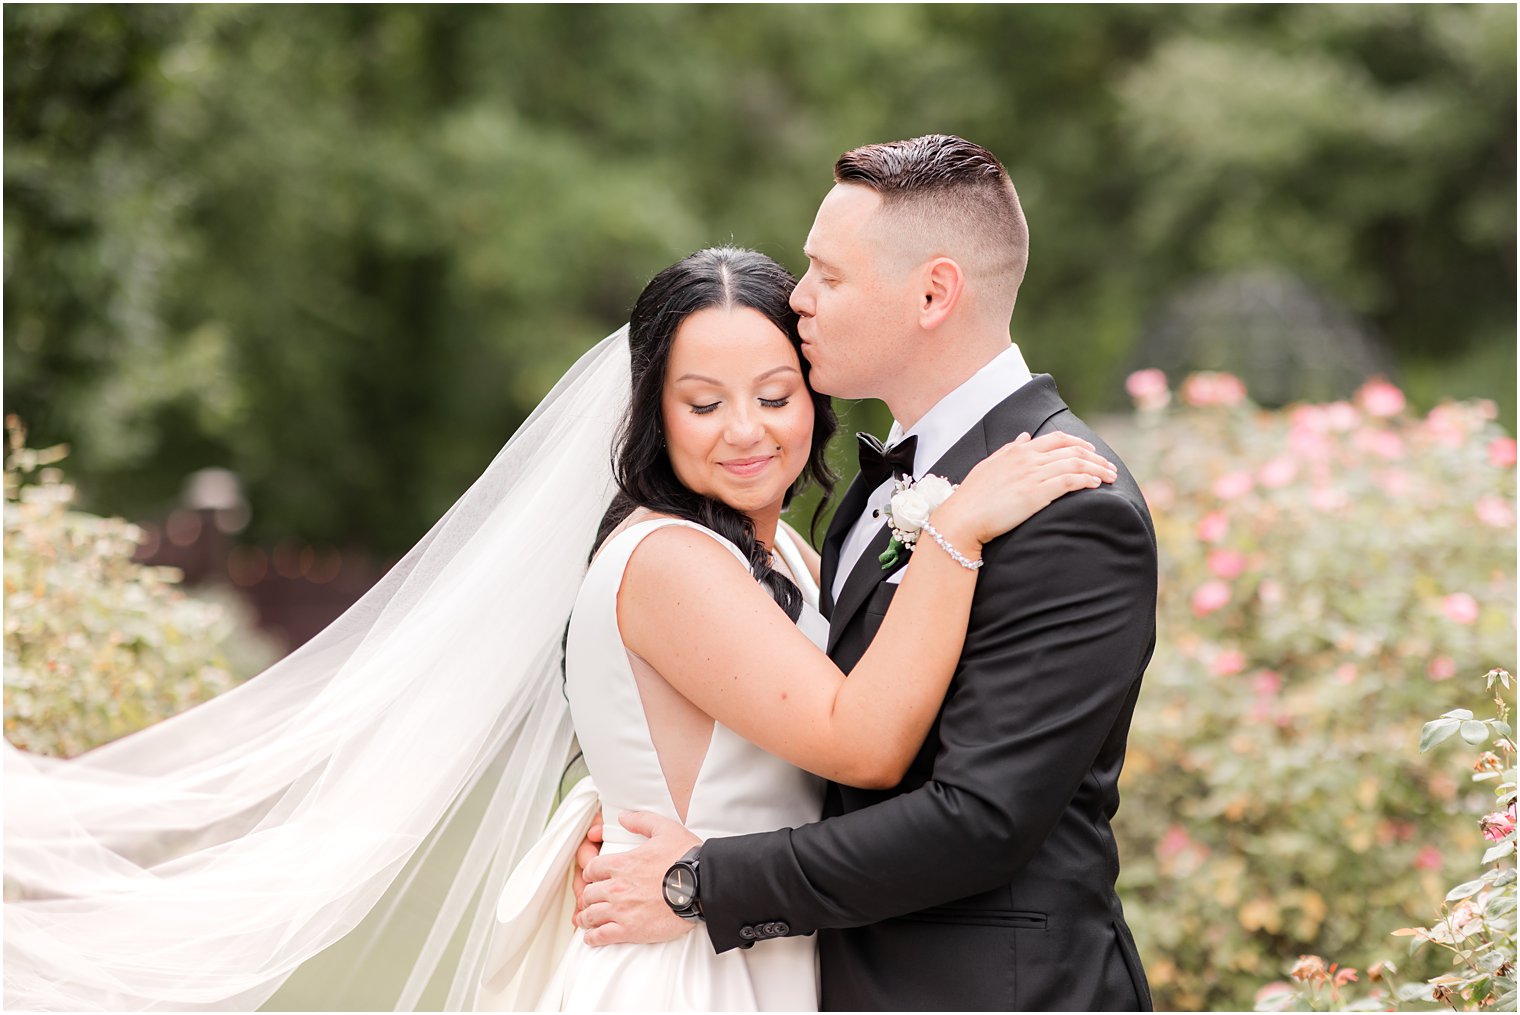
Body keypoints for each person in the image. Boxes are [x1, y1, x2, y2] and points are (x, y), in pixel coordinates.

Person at [2, 241, 1112, 1009]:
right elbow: (860, 741)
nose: (746, 432)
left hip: (751, 947)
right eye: (701, 401)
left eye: (775, 394)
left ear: (814, 397)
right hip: (688, 975)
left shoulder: (780, 551)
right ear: (650, 411)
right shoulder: (673, 561)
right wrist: (957, 530)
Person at [576, 135, 1159, 1012]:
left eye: (829, 276)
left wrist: (700, 877)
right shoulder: (879, 491)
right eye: (705, 402)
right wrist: (626, 811)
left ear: (934, 292)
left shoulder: (1067, 503)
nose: (800, 299)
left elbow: (980, 821)